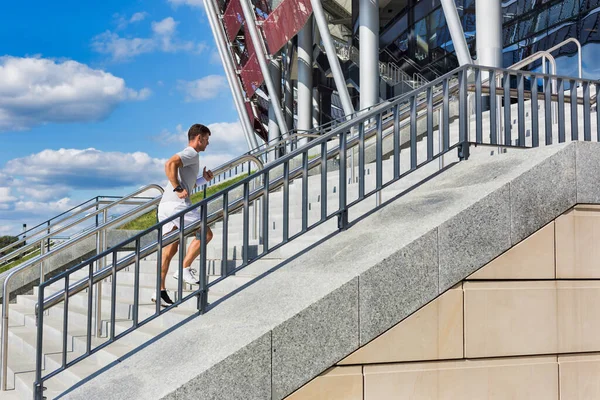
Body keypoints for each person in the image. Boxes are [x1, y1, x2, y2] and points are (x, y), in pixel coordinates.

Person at [151, 124, 215, 307]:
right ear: (199, 138)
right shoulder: (191, 153)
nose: (207, 143)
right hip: (176, 205)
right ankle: (184, 269)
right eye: (206, 139)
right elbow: (169, 164)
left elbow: (186, 183)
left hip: (165, 205)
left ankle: (159, 290)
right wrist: (177, 188)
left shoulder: (191, 158)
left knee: (170, 249)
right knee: (206, 233)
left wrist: (204, 179)